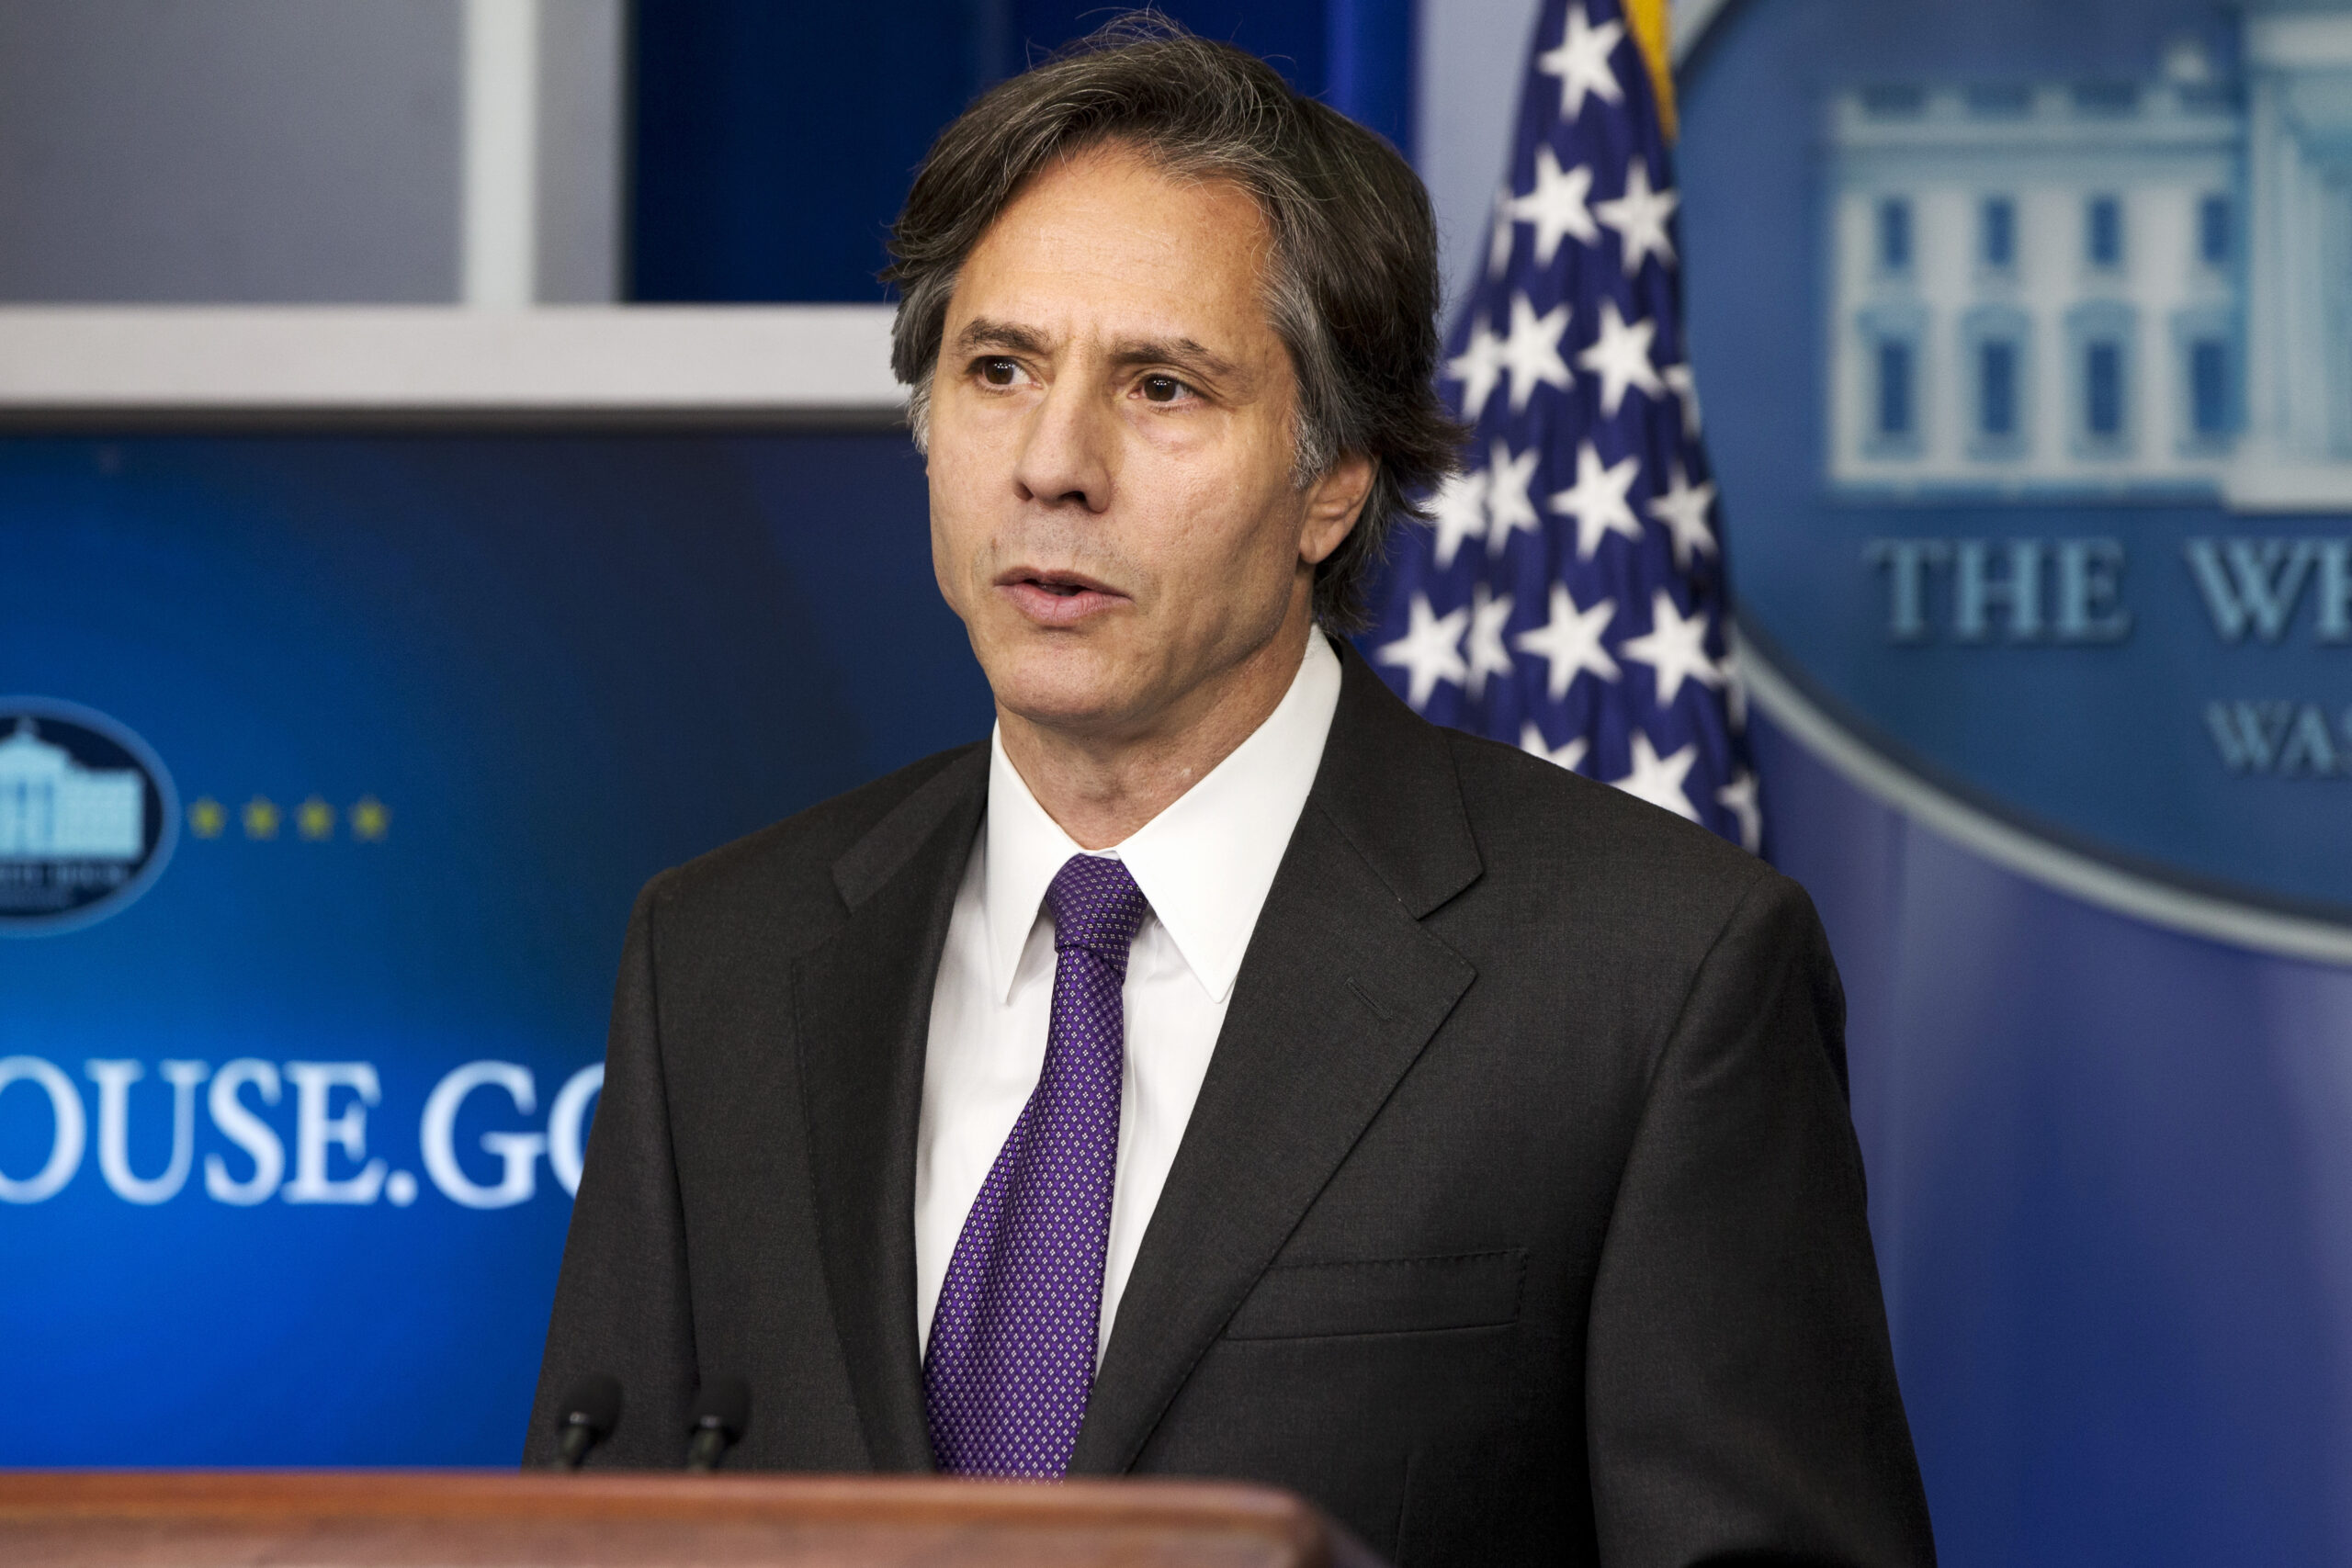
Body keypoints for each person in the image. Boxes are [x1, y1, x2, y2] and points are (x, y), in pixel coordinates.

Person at [528, 18, 1935, 1566]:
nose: (1053, 464)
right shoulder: (718, 960)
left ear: (1334, 481)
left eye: (1161, 387)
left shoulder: (1653, 979)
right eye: (998, 369)